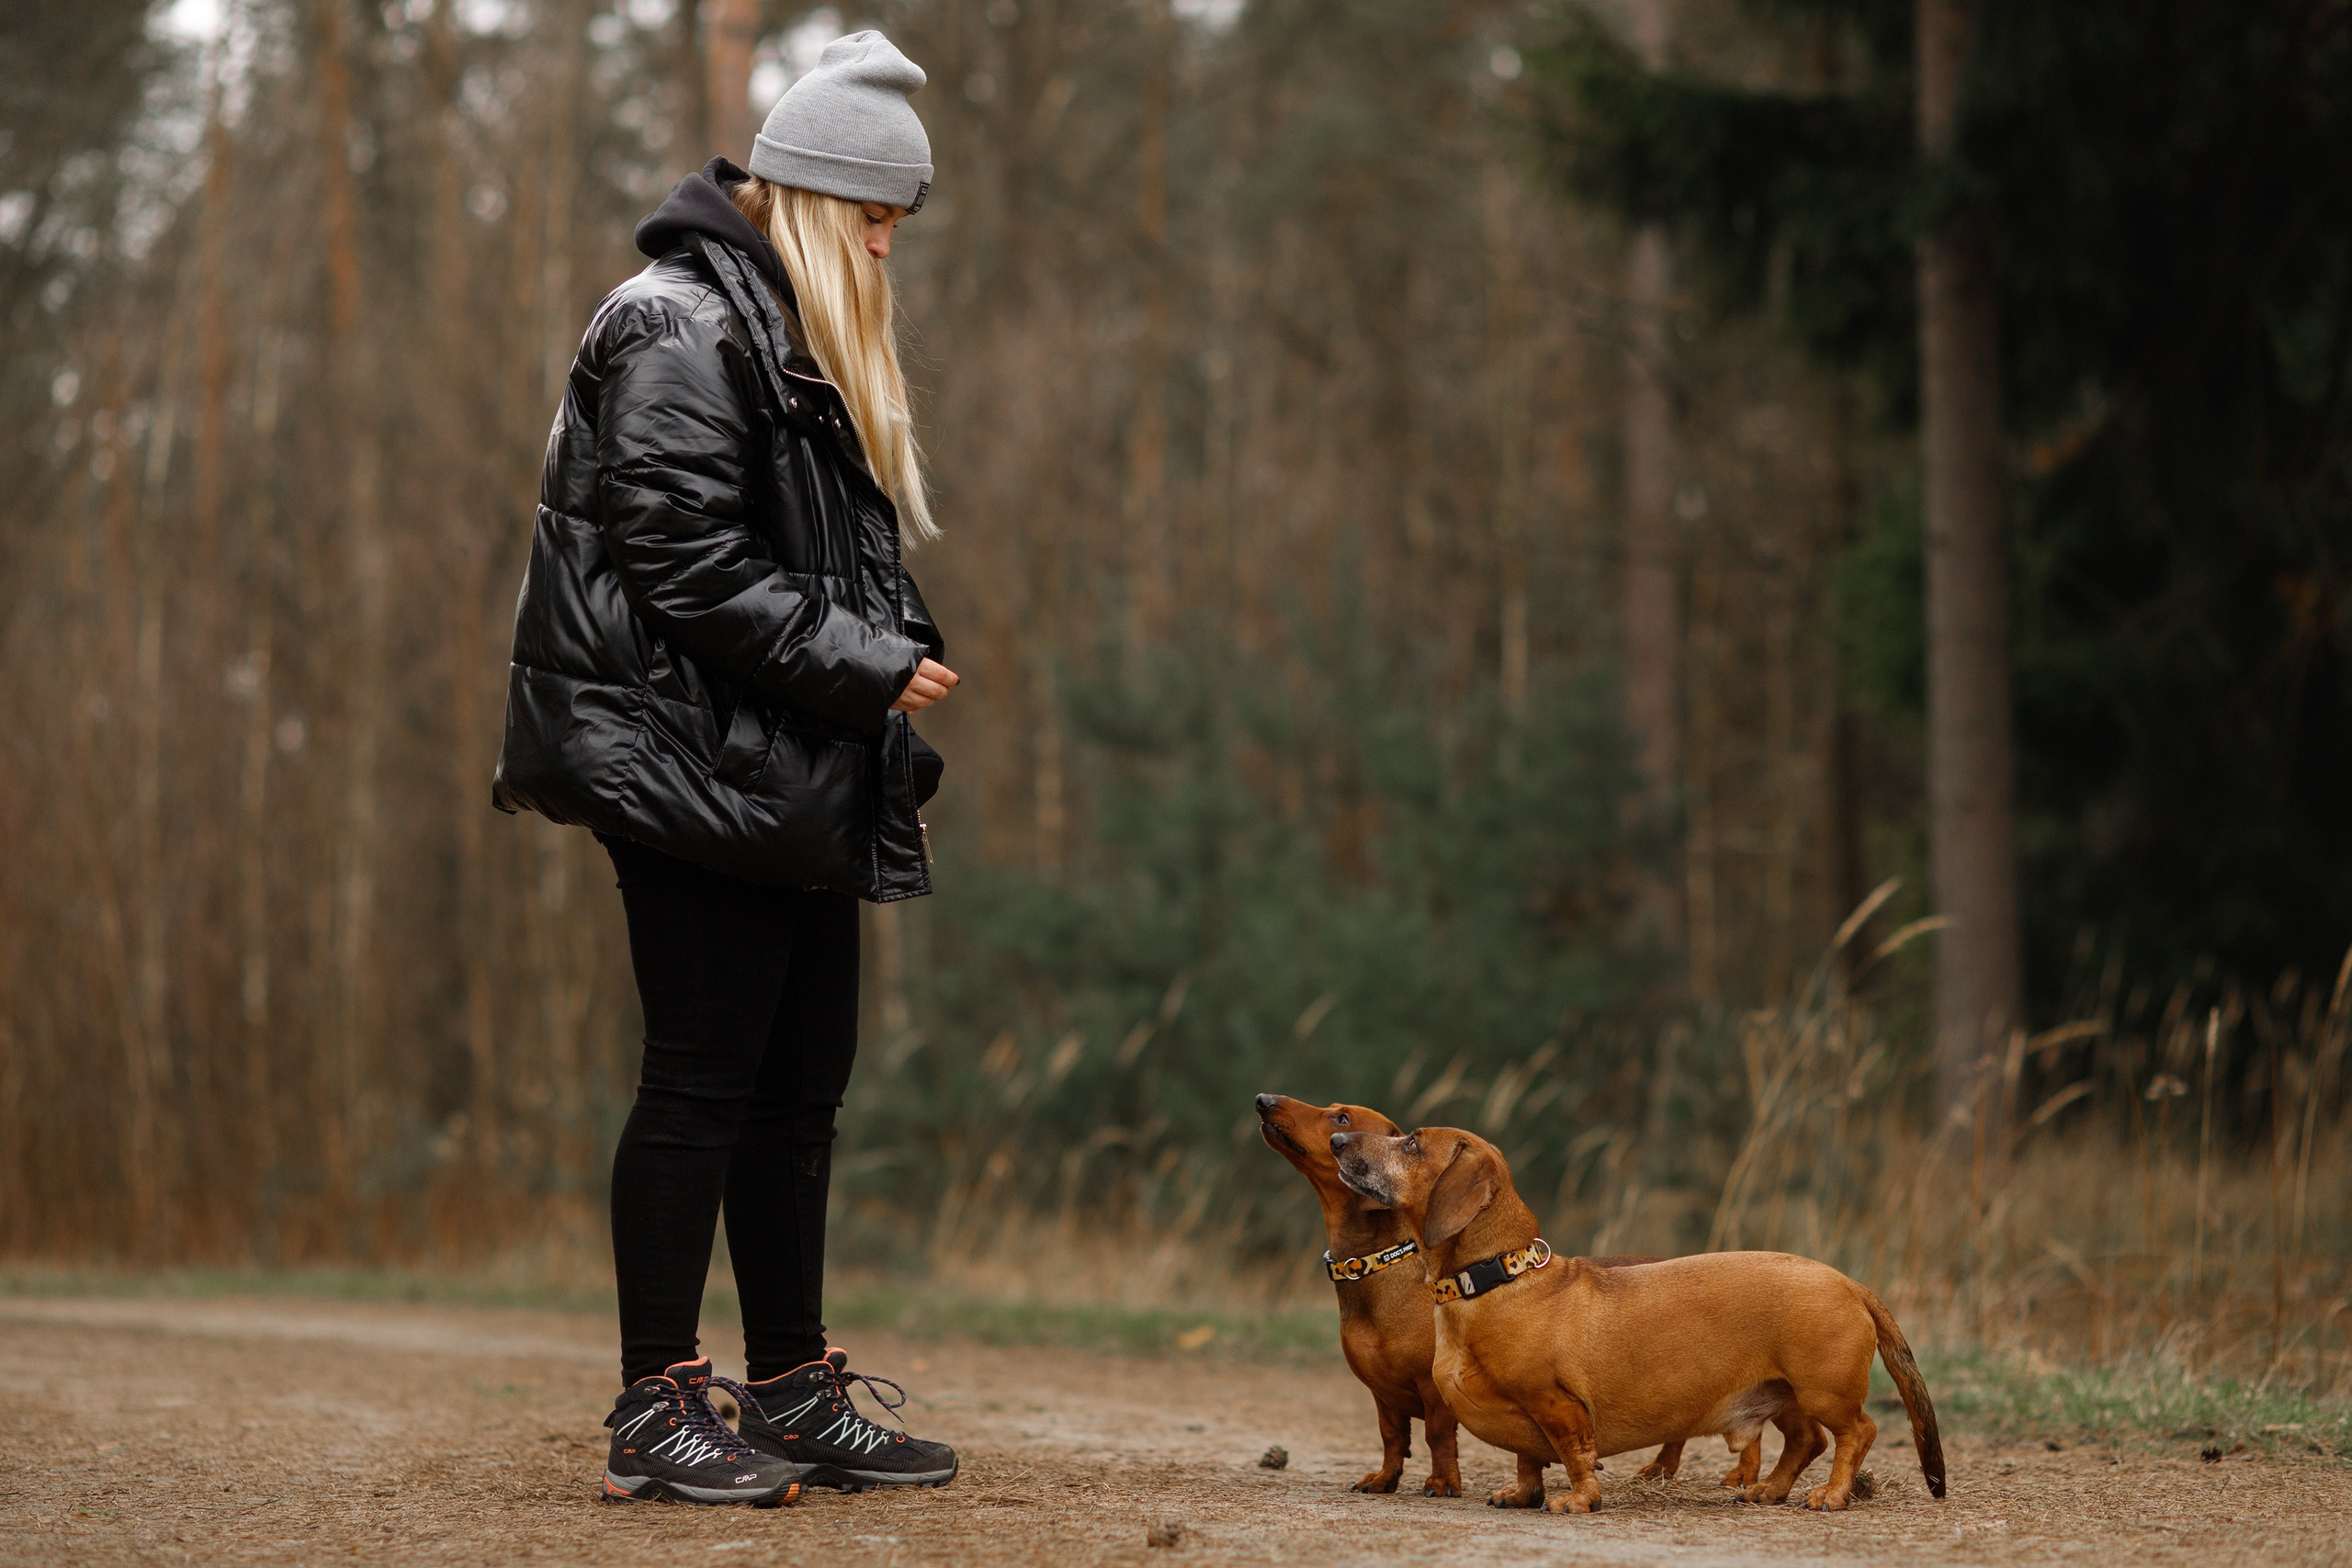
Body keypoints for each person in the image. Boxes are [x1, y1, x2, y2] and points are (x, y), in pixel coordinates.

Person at [492, 30, 961, 1507]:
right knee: (701, 1079)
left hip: (779, 758)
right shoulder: (677, 325)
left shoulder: (778, 326)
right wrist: (864, 664)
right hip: (677, 760)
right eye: (874, 217)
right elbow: (684, 564)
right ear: (812, 198)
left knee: (800, 1086)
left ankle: (792, 1386)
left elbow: (811, 557)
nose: (886, 246)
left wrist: (892, 669)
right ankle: (655, 1405)